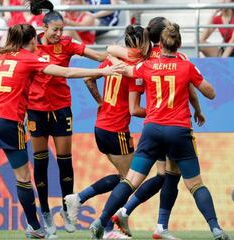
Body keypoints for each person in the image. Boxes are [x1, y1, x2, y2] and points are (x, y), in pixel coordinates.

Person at [0, 23, 119, 239]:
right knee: (23, 178)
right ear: (32, 40)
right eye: (36, 39)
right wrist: (102, 71)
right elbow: (67, 71)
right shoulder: (29, 58)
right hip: (8, 121)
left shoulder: (5, 56)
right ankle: (35, 227)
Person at [0, 0, 110, 235]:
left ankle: (68, 210)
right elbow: (5, 56)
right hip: (36, 109)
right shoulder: (31, 46)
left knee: (64, 160)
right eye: (54, 30)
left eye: (61, 30)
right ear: (44, 28)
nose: (59, 34)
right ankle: (46, 212)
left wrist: (117, 61)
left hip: (61, 108)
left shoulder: (68, 44)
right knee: (40, 161)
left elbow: (96, 56)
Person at [89, 23, 230, 240]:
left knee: (131, 180)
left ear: (160, 44)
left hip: (153, 129)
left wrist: (113, 61)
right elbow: (210, 93)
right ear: (179, 44)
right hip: (179, 131)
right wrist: (199, 102)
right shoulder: (186, 65)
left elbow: (124, 68)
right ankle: (216, 229)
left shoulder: (148, 65)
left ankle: (101, 221)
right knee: (195, 184)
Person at [108, 16, 206, 240]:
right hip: (174, 124)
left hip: (152, 126)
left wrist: (154, 112)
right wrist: (197, 111)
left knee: (156, 175)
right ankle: (152, 223)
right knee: (170, 175)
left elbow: (133, 108)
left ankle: (123, 214)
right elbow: (191, 91)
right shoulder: (178, 58)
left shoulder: (140, 57)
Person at [64, 24, 151, 239]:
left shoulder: (113, 62)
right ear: (140, 43)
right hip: (117, 129)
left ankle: (81, 199)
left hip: (101, 126)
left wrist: (101, 102)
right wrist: (157, 111)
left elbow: (88, 78)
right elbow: (135, 109)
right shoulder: (134, 69)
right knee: (131, 181)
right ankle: (108, 228)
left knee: (125, 178)